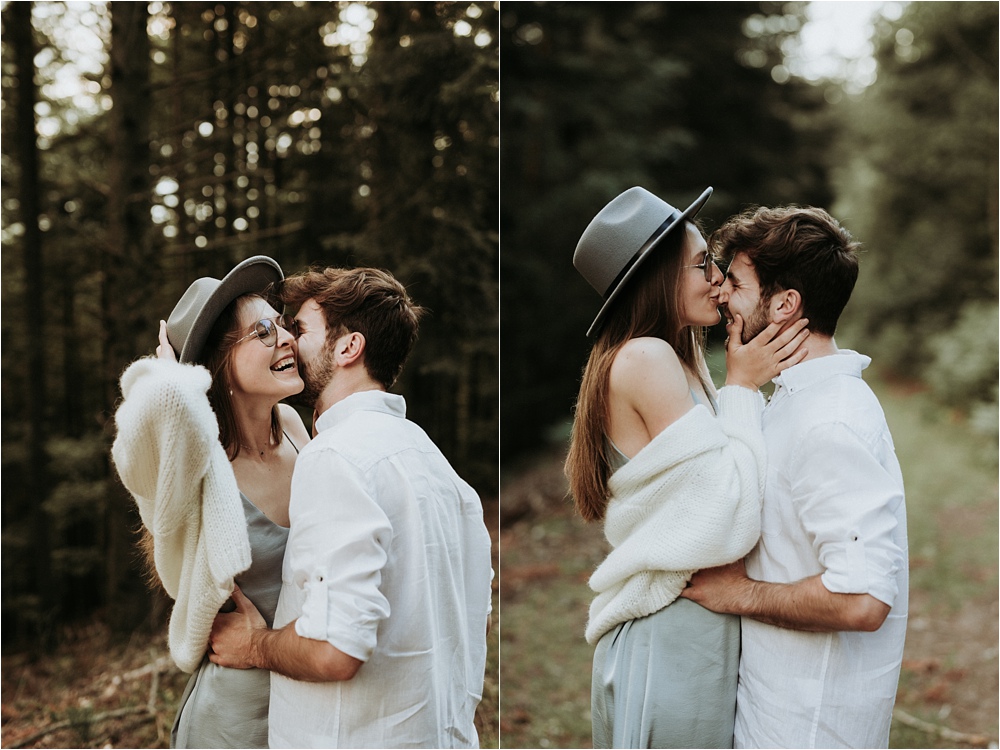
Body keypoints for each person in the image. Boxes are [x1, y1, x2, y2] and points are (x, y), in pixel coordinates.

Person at [206, 266, 494, 749]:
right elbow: (471, 608)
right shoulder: (433, 461)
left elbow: (336, 650)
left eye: (299, 329)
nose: (288, 342)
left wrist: (255, 645)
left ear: (347, 348)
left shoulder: (335, 458)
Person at [565, 186, 811, 749]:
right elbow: (725, 513)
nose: (718, 280)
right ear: (656, 279)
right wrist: (743, 387)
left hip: (691, 627)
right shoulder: (644, 358)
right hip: (671, 637)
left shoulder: (676, 358)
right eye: (701, 265)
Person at [680, 205, 909, 749]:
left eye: (735, 283)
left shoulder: (830, 421)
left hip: (809, 729)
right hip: (773, 714)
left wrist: (736, 593)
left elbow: (862, 599)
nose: (720, 294)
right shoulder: (793, 402)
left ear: (785, 303)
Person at [111, 256, 311, 748]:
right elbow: (134, 448)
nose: (286, 338)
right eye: (263, 331)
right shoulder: (193, 468)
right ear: (215, 365)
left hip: (312, 693)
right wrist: (169, 376)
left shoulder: (293, 427)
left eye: (282, 325)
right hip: (236, 718)